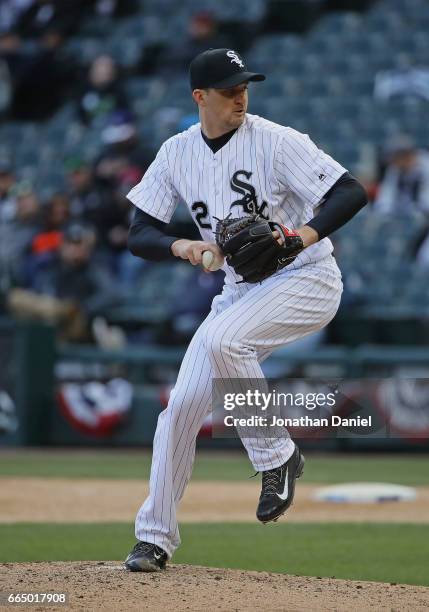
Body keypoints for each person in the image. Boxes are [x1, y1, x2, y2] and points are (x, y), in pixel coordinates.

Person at [123, 48, 367, 571]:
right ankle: (154, 537)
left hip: (307, 278)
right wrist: (183, 246)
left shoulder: (277, 141)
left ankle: (277, 456)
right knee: (181, 408)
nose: (241, 95)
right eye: (229, 88)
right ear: (199, 97)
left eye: (245, 86)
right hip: (239, 291)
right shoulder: (176, 152)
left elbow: (351, 191)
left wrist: (299, 237)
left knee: (222, 339)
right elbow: (138, 232)